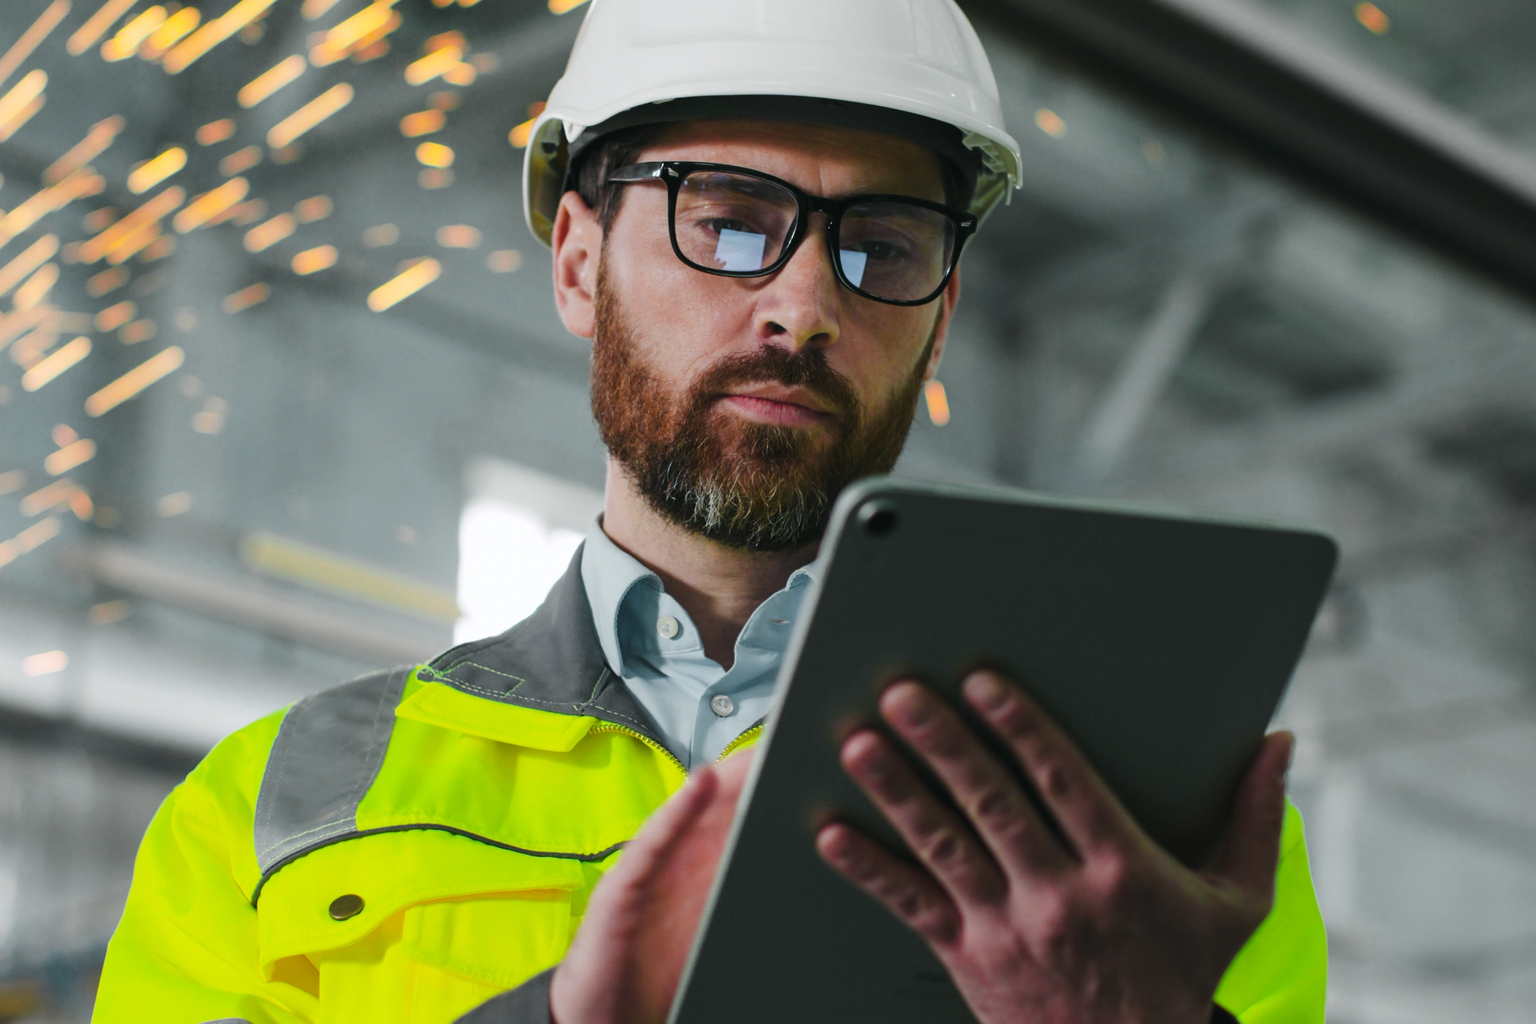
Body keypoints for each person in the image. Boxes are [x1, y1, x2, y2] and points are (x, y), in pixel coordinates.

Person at [93, 1, 1326, 1022]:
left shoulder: (1140, 826)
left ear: (940, 322)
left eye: (883, 249)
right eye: (729, 220)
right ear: (580, 262)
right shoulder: (270, 813)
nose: (802, 307)